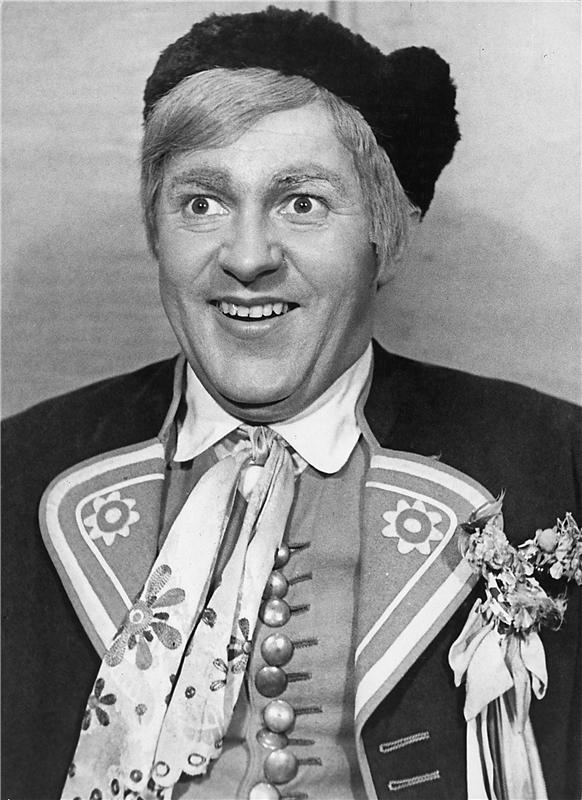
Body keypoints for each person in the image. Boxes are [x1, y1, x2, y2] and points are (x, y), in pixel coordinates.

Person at [2, 7, 580, 800]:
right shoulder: (18, 470)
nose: (247, 259)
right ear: (156, 233)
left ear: (387, 234)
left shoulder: (556, 459)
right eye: (201, 203)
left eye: (302, 203)